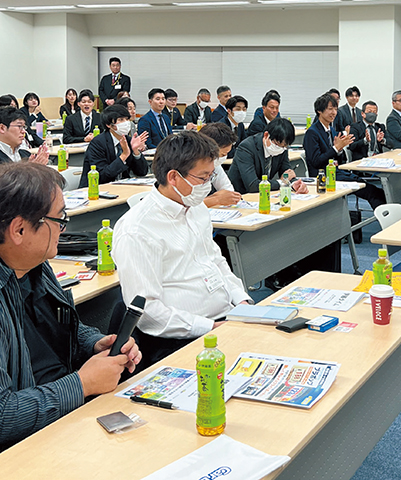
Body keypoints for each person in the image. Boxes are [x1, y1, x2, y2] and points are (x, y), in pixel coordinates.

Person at [0, 162, 141, 451]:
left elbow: (63, 328)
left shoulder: (35, 265)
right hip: (28, 442)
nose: (64, 229)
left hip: (64, 407)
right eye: (59, 219)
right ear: (19, 230)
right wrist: (83, 384)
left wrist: (95, 344)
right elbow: (3, 415)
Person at [111, 131, 252, 368]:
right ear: (174, 177)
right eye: (203, 178)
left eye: (211, 176)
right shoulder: (137, 229)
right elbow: (149, 312)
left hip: (227, 319)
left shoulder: (195, 207)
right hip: (180, 340)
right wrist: (211, 328)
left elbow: (216, 262)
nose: (208, 186)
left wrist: (243, 302)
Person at [304, 93, 385, 210]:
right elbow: (316, 162)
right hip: (323, 178)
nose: (333, 113)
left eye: (336, 109)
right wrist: (336, 148)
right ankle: (386, 218)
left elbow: (338, 160)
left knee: (375, 190)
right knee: (373, 192)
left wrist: (340, 149)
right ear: (319, 111)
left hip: (336, 173)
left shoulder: (331, 130)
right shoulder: (312, 132)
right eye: (330, 109)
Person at [229, 118, 308, 195]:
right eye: (277, 144)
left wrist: (295, 183)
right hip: (241, 195)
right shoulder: (247, 148)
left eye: (284, 146)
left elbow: (286, 173)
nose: (280, 149)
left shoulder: (282, 148)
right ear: (266, 135)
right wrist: (281, 182)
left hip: (264, 194)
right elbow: (252, 185)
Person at [79, 104, 149, 188]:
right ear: (109, 125)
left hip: (122, 187)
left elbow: (142, 172)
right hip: (96, 190)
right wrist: (124, 155)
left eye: (127, 119)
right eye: (121, 120)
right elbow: (102, 176)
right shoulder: (98, 143)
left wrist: (136, 151)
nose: (126, 123)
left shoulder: (129, 140)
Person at [198, 123, 242, 208]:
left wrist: (231, 197)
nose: (224, 158)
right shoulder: (185, 167)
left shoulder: (214, 163)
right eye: (222, 155)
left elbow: (227, 189)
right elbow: (182, 208)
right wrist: (215, 199)